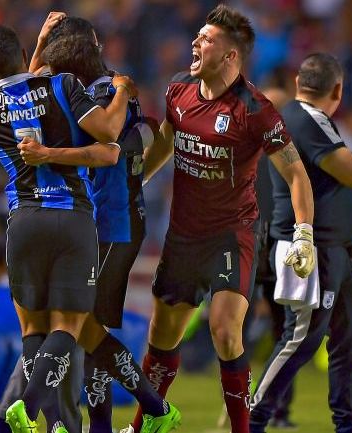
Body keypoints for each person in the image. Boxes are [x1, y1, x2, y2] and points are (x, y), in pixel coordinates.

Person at [0, 15, 180, 433]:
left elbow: (113, 144)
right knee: (81, 331)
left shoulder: (97, 92)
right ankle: (121, 417)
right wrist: (39, 42)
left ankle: (102, 421)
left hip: (113, 223)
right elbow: (28, 79)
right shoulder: (74, 90)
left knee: (84, 330)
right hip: (87, 218)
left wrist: (49, 154)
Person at [129, 5, 316, 433]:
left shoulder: (256, 109)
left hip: (233, 233)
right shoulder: (179, 91)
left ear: (231, 56)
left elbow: (296, 175)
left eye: (206, 39)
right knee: (162, 335)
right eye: (197, 36)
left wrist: (303, 234)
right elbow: (164, 147)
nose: (195, 43)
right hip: (184, 235)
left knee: (226, 330)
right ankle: (144, 425)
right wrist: (132, 183)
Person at [248, 53, 352, 433]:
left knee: (351, 339)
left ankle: (346, 425)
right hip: (309, 248)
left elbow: (347, 167)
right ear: (338, 88)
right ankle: (252, 419)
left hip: (332, 250)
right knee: (300, 338)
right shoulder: (303, 120)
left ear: (298, 82)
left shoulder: (308, 119)